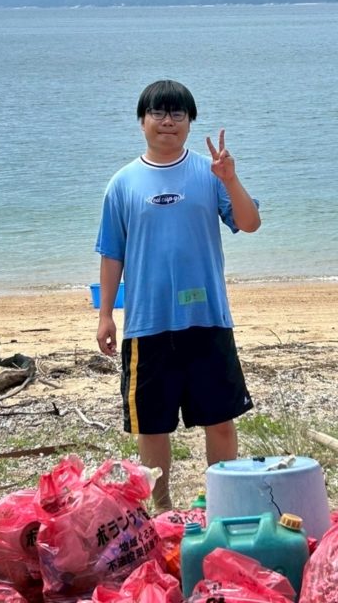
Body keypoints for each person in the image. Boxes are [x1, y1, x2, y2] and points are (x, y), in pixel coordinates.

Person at [95, 79, 261, 510]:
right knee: (152, 426)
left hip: (207, 320)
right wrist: (106, 315)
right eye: (158, 113)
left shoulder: (210, 173)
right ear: (142, 121)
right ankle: (162, 509)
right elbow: (112, 254)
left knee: (220, 421)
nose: (167, 121)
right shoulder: (123, 183)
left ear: (190, 122)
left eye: (178, 114)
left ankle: (222, 503)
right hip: (148, 322)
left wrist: (231, 177)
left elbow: (249, 222)